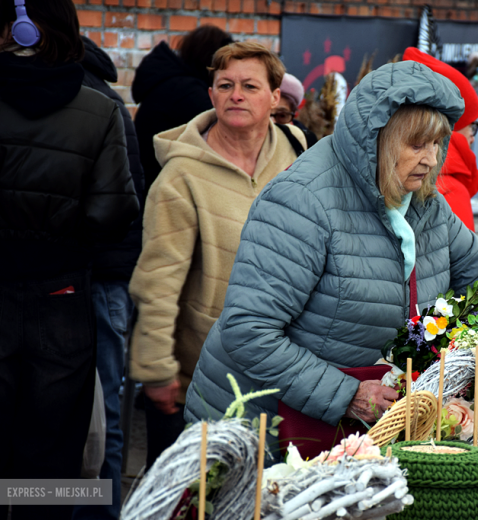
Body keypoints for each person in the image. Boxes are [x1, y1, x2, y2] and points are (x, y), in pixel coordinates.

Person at [183, 60, 478, 458]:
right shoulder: (302, 201)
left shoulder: (425, 205)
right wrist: (345, 393)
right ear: (378, 139)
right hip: (261, 428)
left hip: (349, 430)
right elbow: (248, 329)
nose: (431, 160)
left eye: (437, 144)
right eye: (416, 145)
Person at [0, 1, 139, 519]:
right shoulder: (100, 107)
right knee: (57, 460)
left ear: (10, 29)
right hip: (64, 297)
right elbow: (115, 215)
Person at [129, 41, 307, 469]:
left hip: (286, 369)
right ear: (210, 95)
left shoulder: (299, 153)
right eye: (224, 85)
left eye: (249, 85)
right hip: (203, 378)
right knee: (193, 498)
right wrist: (156, 369)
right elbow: (157, 281)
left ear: (275, 97)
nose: (236, 95)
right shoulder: (181, 176)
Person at [73, 35, 145, 520]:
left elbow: (125, 200)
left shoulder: (90, 100)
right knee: (105, 415)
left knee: (100, 419)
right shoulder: (107, 97)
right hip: (104, 277)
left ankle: (95, 513)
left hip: (95, 278)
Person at [132, 25, 233, 193]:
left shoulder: (172, 83)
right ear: (211, 58)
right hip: (163, 187)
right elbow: (223, 134)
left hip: (152, 182)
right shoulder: (187, 91)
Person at [403, 47, 478, 231]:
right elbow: (461, 259)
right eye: (471, 126)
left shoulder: (391, 175)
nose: (472, 138)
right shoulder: (451, 190)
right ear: (451, 128)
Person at [275, 72, 318, 148]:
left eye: (281, 116)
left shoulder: (306, 142)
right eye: (266, 115)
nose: (272, 122)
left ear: (294, 114)